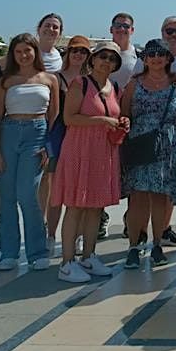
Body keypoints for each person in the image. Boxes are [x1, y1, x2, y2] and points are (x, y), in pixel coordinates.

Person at [54, 42, 126, 282]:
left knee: (96, 205)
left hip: (103, 151)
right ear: (93, 59)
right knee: (75, 205)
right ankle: (66, 261)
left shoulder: (113, 86)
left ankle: (89, 255)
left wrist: (120, 122)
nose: (106, 61)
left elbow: (114, 114)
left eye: (112, 58)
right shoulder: (80, 84)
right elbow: (69, 118)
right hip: (80, 149)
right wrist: (103, 120)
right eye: (102, 56)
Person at [120, 39, 176, 269]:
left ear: (168, 58)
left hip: (168, 146)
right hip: (141, 144)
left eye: (161, 54)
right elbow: (125, 113)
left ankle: (157, 243)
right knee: (138, 197)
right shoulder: (134, 84)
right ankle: (133, 245)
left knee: (161, 197)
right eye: (151, 54)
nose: (157, 58)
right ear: (145, 58)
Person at [0, 33, 58, 272]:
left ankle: (37, 250)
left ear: (35, 52)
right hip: (9, 133)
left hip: (37, 133)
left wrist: (48, 148)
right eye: (18, 51)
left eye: (27, 51)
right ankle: (8, 252)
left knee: (28, 195)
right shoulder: (5, 81)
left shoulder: (49, 79)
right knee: (7, 196)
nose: (23, 55)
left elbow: (54, 117)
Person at [44, 35, 93, 252]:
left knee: (81, 188)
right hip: (60, 134)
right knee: (56, 189)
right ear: (68, 53)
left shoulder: (91, 79)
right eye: (75, 51)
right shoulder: (56, 78)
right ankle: (51, 234)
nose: (78, 55)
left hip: (83, 137)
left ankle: (79, 234)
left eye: (83, 52)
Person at [109, 12, 139, 89]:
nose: (122, 29)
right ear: (111, 29)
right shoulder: (98, 54)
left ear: (132, 30)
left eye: (126, 26)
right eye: (117, 25)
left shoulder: (140, 56)